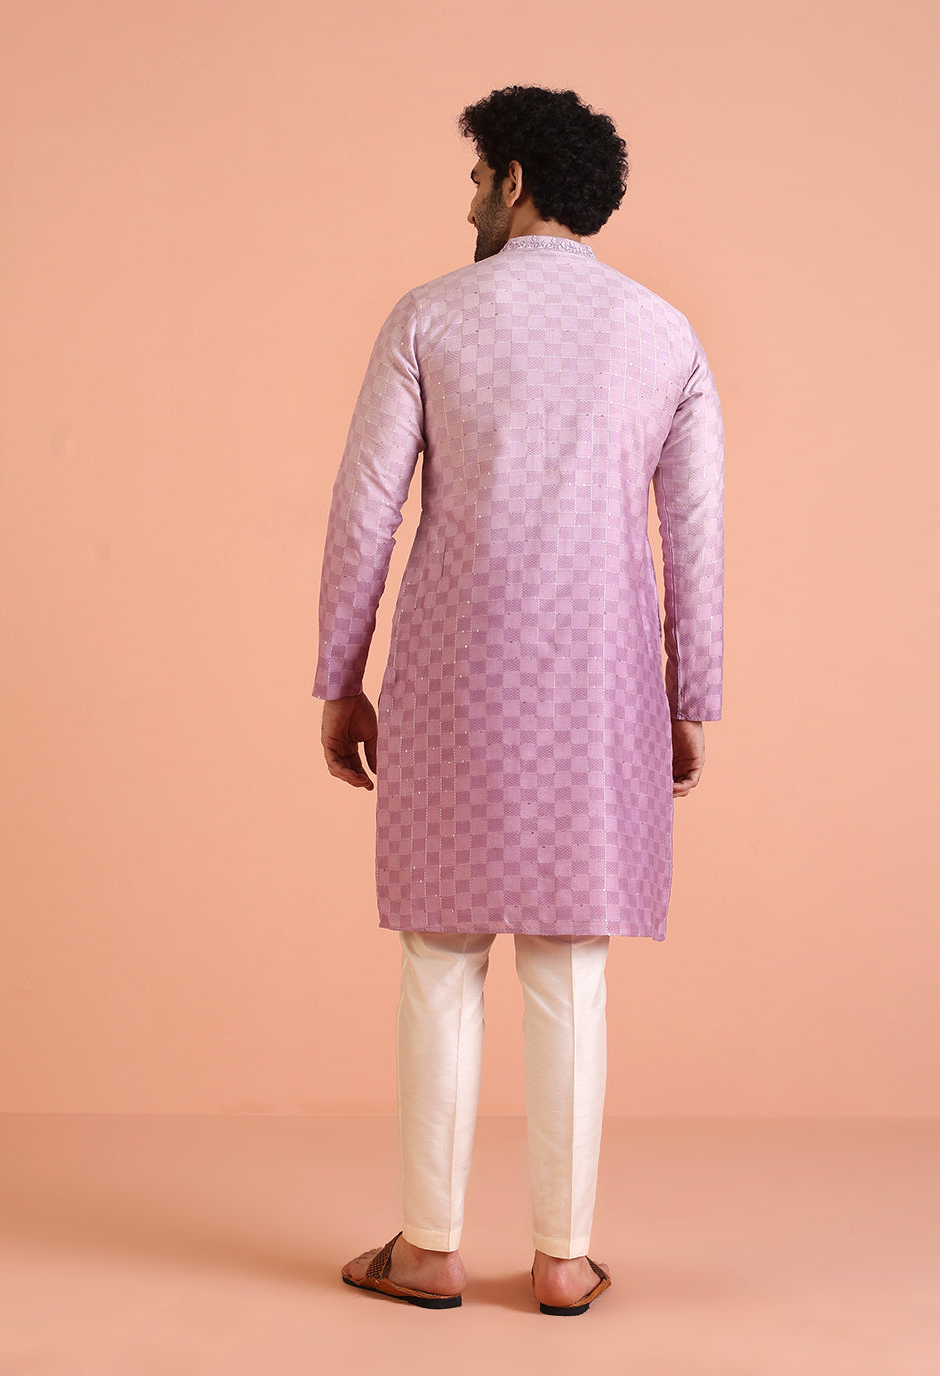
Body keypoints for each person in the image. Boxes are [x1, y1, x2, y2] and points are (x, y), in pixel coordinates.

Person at [313, 85, 724, 1313]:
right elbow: (695, 537)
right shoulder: (664, 334)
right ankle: (562, 1259)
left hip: (454, 676)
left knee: (440, 957)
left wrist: (341, 677)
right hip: (602, 686)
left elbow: (365, 511)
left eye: (476, 177)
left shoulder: (431, 316)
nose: (469, 202)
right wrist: (689, 695)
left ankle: (428, 1247)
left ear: (513, 179)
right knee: (571, 963)